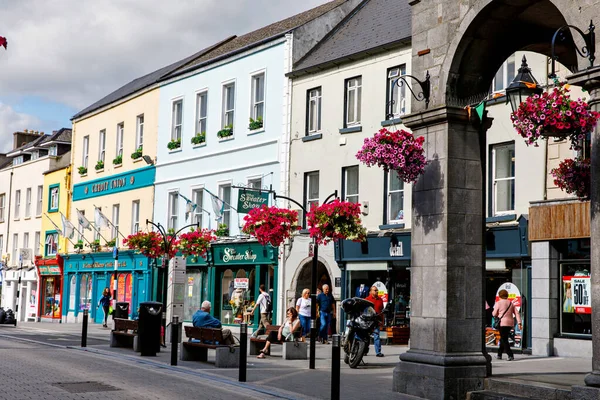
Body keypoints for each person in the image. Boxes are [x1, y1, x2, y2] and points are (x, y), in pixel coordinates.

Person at [492, 289, 522, 361]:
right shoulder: (511, 303)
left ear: (500, 295)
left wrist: (497, 314)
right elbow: (517, 313)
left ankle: (510, 355)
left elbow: (494, 313)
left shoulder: (498, 303)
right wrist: (519, 322)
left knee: (504, 339)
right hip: (510, 323)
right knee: (503, 338)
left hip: (502, 323)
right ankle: (499, 354)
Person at [365, 285, 385, 357]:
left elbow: (382, 311)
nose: (377, 291)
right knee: (366, 336)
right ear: (371, 291)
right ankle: (364, 350)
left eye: (377, 290)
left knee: (376, 336)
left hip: (376, 320)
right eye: (375, 290)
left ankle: (378, 352)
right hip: (368, 320)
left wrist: (382, 322)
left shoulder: (380, 300)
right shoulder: (367, 299)